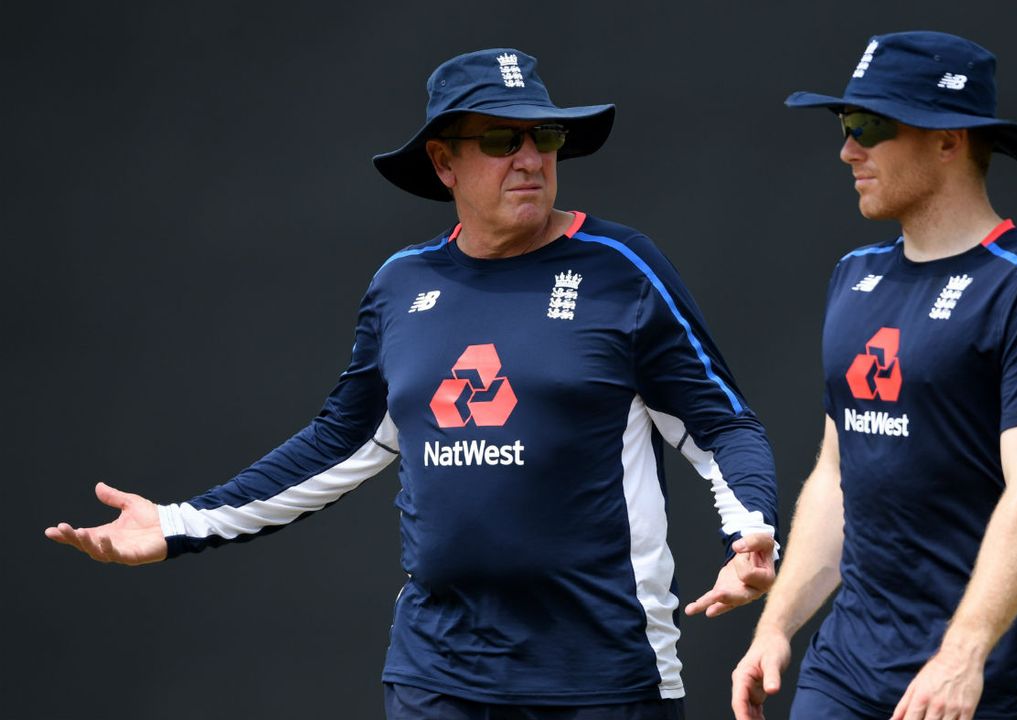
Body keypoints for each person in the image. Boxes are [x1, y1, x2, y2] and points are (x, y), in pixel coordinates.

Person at [45, 48, 780, 720]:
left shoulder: (623, 268)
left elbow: (721, 425)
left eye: (545, 139)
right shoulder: (402, 285)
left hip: (601, 679)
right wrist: (177, 524)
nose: (529, 159)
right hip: (437, 677)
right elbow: (341, 441)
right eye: (501, 140)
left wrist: (750, 529)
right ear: (443, 162)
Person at [730, 31, 1017, 720]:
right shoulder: (854, 276)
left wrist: (961, 657)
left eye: (869, 126)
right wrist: (777, 626)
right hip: (846, 666)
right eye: (844, 126)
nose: (847, 150)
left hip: (985, 674)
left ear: (949, 139)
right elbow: (839, 473)